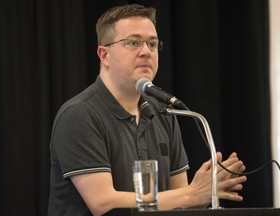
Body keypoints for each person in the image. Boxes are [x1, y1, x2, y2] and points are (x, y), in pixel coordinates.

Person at [47, 4, 247, 216]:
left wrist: (205, 193)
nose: (146, 52)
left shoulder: (165, 113)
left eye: (152, 44)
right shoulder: (80, 115)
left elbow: (178, 205)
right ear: (104, 55)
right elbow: (103, 203)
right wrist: (191, 194)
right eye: (133, 43)